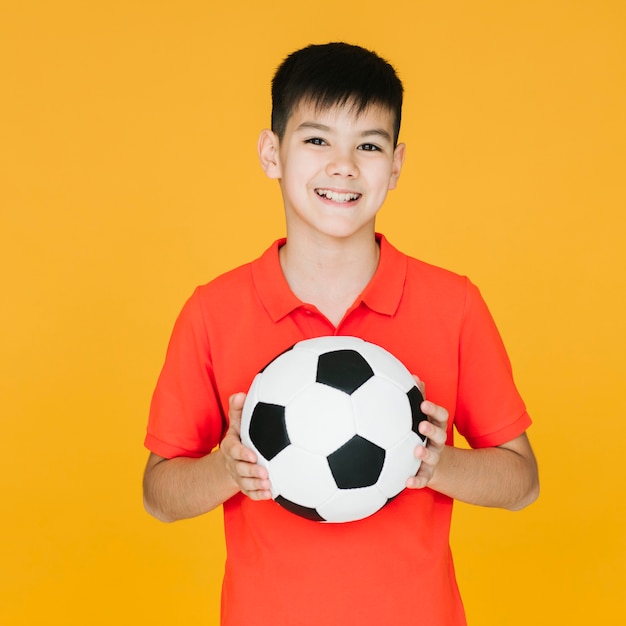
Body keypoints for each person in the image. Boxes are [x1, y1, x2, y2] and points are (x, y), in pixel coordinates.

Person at [143, 42, 539, 625]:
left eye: (369, 146)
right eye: (317, 139)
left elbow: (522, 481)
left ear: (396, 165)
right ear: (271, 152)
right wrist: (224, 470)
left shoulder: (453, 304)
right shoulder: (213, 311)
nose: (343, 165)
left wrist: (436, 463)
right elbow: (159, 496)